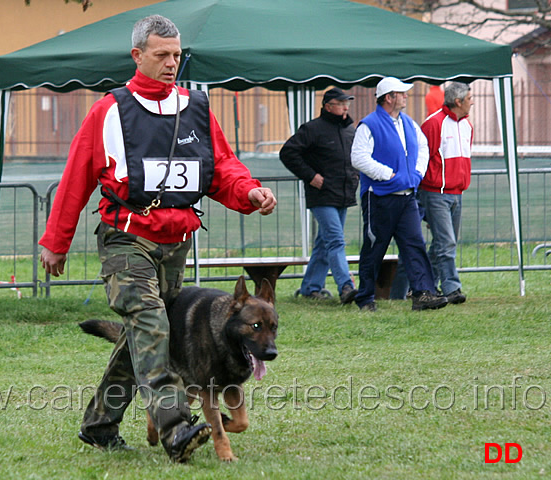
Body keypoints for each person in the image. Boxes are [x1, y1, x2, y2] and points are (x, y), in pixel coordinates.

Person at [38, 15, 276, 463]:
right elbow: (77, 177)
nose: (172, 63)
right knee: (152, 325)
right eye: (162, 55)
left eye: (177, 55)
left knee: (141, 337)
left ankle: (99, 425)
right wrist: (57, 240)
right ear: (137, 56)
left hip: (175, 245)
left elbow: (221, 168)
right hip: (126, 238)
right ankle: (176, 429)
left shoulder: (198, 108)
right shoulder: (109, 110)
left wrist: (249, 191)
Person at [350, 77, 447, 312]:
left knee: (415, 244)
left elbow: (423, 147)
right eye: (401, 93)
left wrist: (417, 173)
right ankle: (365, 298)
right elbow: (359, 157)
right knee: (375, 248)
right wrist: (388, 175)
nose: (406, 96)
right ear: (388, 97)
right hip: (380, 197)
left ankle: (423, 293)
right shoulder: (369, 125)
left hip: (406, 197)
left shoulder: (409, 123)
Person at [279, 87, 359, 304]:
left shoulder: (350, 130)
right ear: (328, 106)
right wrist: (310, 176)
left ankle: (310, 287)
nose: (345, 106)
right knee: (335, 240)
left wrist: (355, 177)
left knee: (325, 242)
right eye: (341, 103)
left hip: (342, 195)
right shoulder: (312, 129)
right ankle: (346, 286)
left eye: (347, 103)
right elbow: (288, 153)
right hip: (322, 196)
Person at [419, 82, 474, 304]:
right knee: (447, 242)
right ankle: (452, 287)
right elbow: (423, 158)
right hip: (435, 192)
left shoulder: (467, 126)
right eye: (470, 98)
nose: (472, 102)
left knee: (442, 244)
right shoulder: (433, 124)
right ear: (458, 101)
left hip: (456, 192)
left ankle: (426, 285)